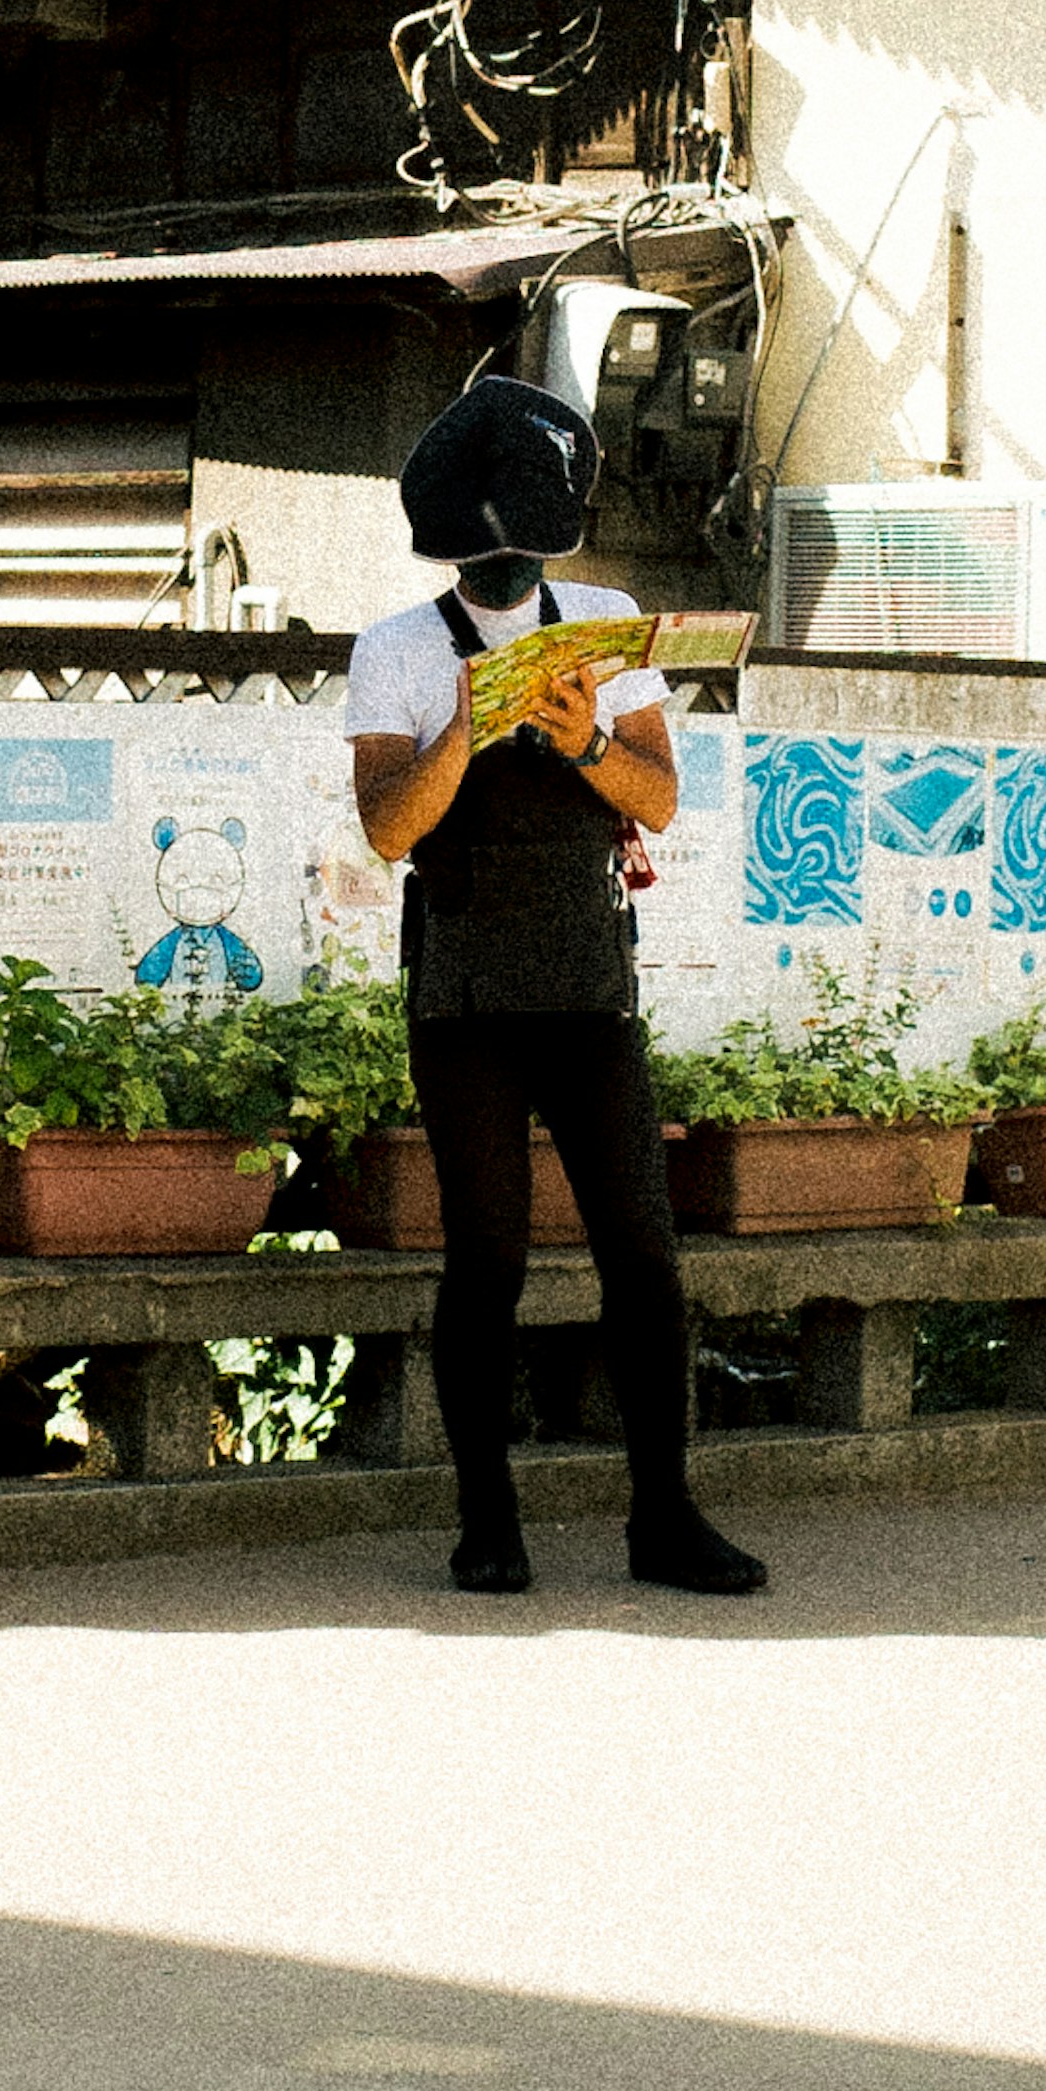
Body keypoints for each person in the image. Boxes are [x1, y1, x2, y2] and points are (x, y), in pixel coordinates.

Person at [349, 380, 765, 1604]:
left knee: (644, 1248)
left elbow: (660, 800)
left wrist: (584, 735)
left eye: (517, 556)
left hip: (589, 977)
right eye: (482, 561)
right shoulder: (399, 649)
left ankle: (666, 1516)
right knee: (488, 1256)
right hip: (466, 986)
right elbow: (384, 829)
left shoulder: (606, 623)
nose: (501, 575)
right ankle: (487, 1520)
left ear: (548, 545)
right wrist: (470, 730)